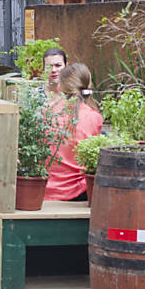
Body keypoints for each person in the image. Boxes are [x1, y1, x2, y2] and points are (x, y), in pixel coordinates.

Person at [44, 63, 103, 201]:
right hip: (79, 191)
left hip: (45, 189)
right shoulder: (94, 117)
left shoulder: (46, 113)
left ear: (60, 86)